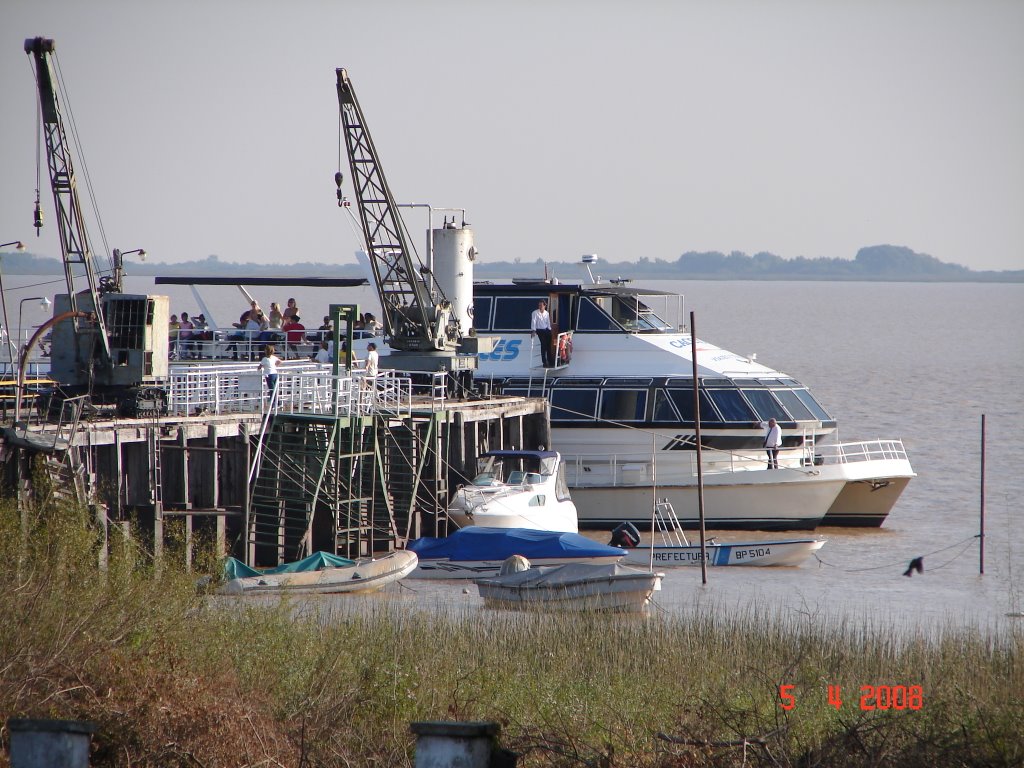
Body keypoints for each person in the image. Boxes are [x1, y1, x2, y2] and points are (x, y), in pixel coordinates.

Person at [530, 299, 553, 367]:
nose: (540, 306)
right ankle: (544, 362)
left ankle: (550, 361)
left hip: (546, 330)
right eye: (539, 305)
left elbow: (548, 322)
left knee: (548, 346)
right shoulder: (535, 313)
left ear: (544, 306)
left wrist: (550, 330)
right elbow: (533, 322)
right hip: (539, 330)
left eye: (541, 305)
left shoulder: (547, 313)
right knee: (543, 345)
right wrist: (533, 331)